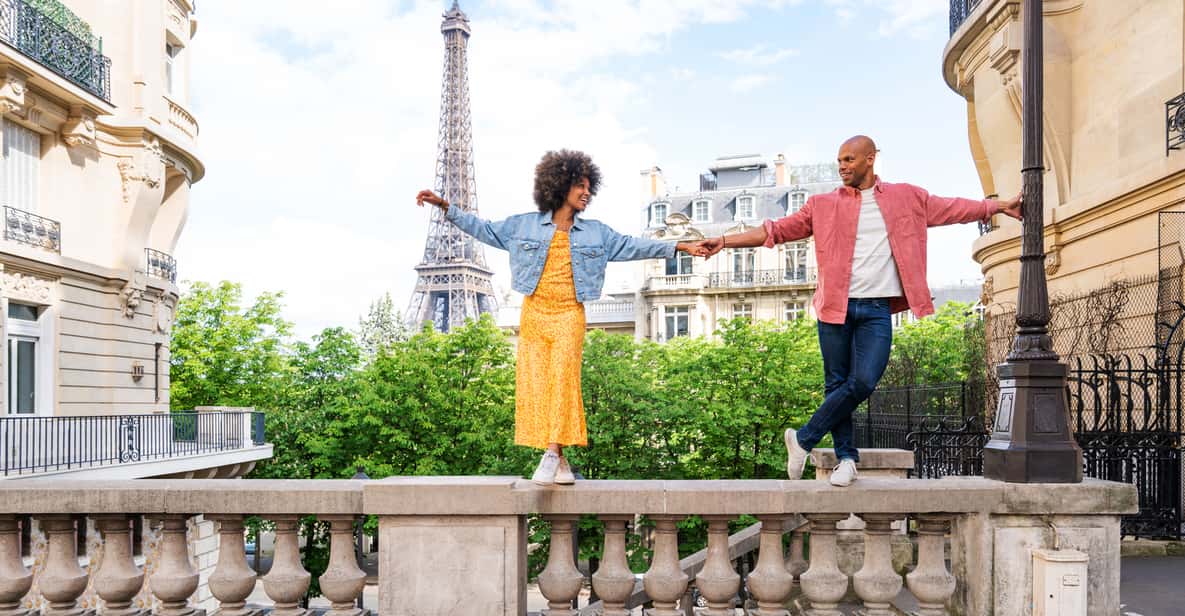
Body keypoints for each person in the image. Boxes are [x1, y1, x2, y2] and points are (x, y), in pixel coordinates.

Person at [695, 136, 1022, 487]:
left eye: (849, 159)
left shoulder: (907, 197)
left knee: (864, 381)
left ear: (871, 158)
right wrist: (725, 241)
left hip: (877, 308)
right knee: (836, 384)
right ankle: (846, 459)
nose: (842, 166)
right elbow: (777, 230)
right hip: (835, 307)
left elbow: (953, 208)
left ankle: (803, 438)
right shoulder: (823, 205)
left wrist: (998, 207)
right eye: (839, 160)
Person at [417, 149, 708, 485]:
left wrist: (681, 247)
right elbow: (482, 229)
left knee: (563, 379)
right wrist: (445, 207)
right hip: (535, 311)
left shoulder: (597, 233)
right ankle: (561, 461)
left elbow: (634, 245)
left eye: (589, 187)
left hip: (570, 312)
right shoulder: (522, 225)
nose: (587, 193)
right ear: (559, 185)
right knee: (539, 384)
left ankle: (552, 451)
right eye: (580, 186)